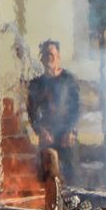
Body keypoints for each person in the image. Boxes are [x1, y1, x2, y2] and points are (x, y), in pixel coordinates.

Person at [26, 39, 81, 184]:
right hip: (47, 137)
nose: (48, 58)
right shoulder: (36, 84)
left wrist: (70, 131)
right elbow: (32, 112)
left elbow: (77, 109)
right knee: (47, 178)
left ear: (58, 57)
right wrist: (41, 130)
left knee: (70, 179)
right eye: (45, 55)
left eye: (51, 55)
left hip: (66, 137)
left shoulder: (69, 80)